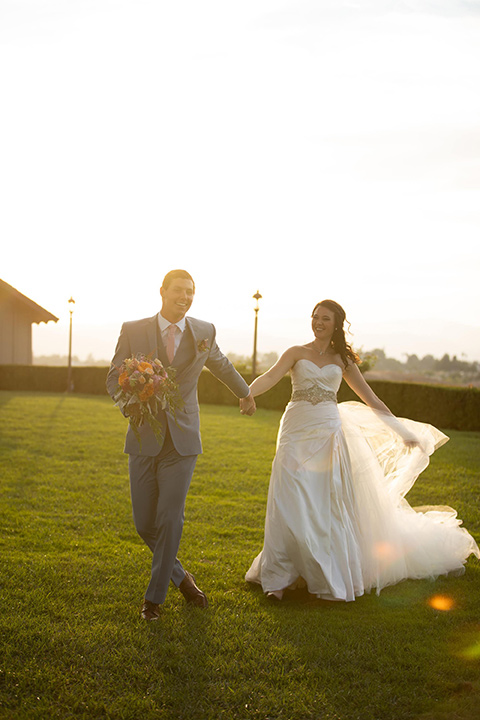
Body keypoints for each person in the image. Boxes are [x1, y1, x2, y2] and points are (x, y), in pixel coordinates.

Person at [245, 299, 479, 601]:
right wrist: (247, 393)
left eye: (325, 318)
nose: (318, 322)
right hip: (295, 431)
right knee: (288, 498)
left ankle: (321, 573)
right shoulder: (295, 352)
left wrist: (403, 432)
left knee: (322, 505)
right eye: (315, 317)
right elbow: (269, 377)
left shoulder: (343, 360)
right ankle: (277, 578)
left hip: (328, 434)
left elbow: (372, 399)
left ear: (336, 324)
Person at [107, 269, 256, 620]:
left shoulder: (204, 331)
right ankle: (183, 580)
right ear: (162, 291)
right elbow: (115, 373)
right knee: (144, 522)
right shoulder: (133, 329)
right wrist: (126, 401)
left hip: (184, 438)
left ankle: (153, 600)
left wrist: (246, 393)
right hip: (144, 434)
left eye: (191, 292)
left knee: (170, 517)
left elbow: (220, 364)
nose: (185, 297)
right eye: (179, 290)